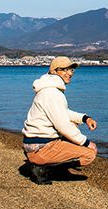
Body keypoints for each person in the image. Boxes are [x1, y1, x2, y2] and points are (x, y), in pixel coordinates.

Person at [21, 56, 98, 185]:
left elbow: (63, 113)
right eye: (64, 70)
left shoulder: (49, 90)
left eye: (71, 70)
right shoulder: (52, 93)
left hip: (34, 142)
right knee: (89, 154)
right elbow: (63, 126)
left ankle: (43, 164)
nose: (69, 73)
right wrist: (86, 143)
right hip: (41, 147)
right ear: (54, 71)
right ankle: (44, 169)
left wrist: (84, 118)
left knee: (74, 125)